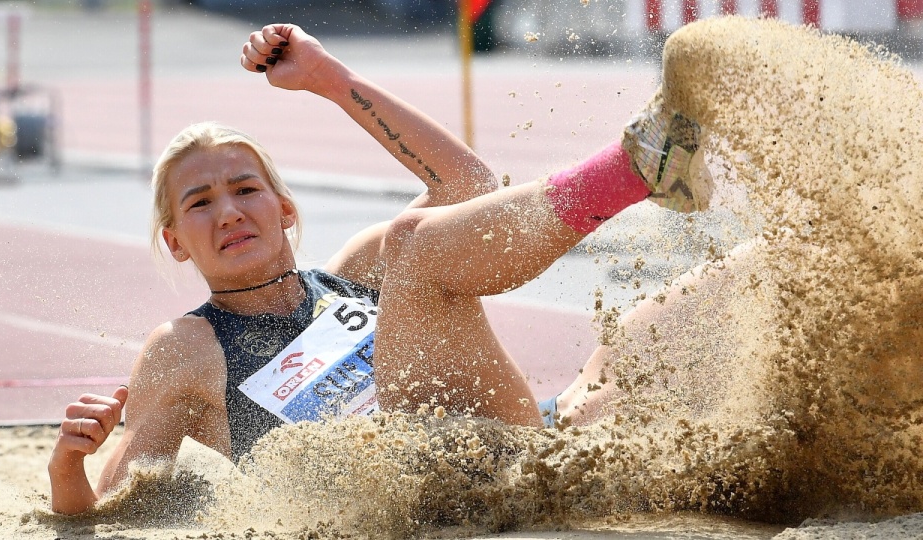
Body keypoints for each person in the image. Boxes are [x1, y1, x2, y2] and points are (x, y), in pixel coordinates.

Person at [47, 23, 711, 515]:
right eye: (201, 203)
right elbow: (116, 508)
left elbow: (467, 186)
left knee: (673, 315)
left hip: (527, 446)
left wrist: (331, 81)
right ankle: (636, 167)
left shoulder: (351, 272)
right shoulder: (185, 350)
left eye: (245, 190)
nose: (228, 212)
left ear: (283, 209)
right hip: (434, 495)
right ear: (176, 241)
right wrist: (67, 470)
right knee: (412, 246)